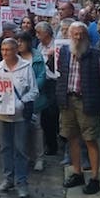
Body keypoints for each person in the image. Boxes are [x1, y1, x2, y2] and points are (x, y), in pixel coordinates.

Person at [54, 22, 100, 194]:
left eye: (81, 34)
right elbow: (60, 75)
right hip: (68, 100)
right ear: (69, 36)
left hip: (87, 101)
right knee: (72, 138)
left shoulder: (94, 54)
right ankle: (77, 172)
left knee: (90, 138)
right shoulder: (64, 53)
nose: (78, 37)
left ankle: (95, 177)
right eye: (75, 34)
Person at [0, 38, 38, 198]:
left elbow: (34, 91)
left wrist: (22, 103)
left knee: (21, 149)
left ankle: (21, 182)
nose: (5, 53)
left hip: (20, 117)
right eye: (3, 50)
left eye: (8, 50)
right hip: (2, 116)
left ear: (16, 50)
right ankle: (8, 178)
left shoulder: (26, 67)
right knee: (5, 148)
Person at [17, 31, 50, 172]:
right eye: (17, 41)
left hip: (35, 99)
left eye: (21, 41)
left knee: (36, 128)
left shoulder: (37, 57)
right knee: (22, 130)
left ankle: (39, 158)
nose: (19, 44)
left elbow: (42, 76)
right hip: (18, 99)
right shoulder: (14, 57)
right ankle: (26, 156)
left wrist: (31, 88)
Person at [35, 21, 61, 156]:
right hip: (42, 83)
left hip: (54, 83)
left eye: (39, 33)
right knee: (45, 115)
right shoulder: (39, 46)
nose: (37, 36)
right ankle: (48, 143)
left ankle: (55, 143)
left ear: (46, 33)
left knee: (52, 113)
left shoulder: (57, 45)